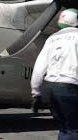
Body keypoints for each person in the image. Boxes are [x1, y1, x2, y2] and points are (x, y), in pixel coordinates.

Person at [31, 8, 78, 140]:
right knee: (74, 130)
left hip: (51, 88)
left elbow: (39, 67)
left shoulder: (52, 38)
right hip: (70, 87)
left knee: (64, 128)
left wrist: (36, 93)